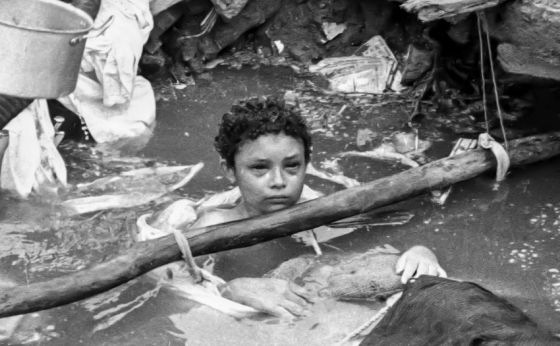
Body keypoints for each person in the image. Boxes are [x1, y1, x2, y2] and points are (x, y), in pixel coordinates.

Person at [190, 96, 447, 320]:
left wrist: (421, 252)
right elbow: (171, 290)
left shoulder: (322, 215)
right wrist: (233, 290)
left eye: (292, 166)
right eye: (259, 168)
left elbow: (380, 243)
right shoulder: (211, 227)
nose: (278, 182)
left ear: (306, 164)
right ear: (229, 171)